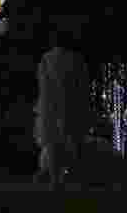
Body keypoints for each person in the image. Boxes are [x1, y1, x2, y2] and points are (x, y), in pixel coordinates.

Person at [35, 24, 90, 190]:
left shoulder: (47, 58)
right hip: (71, 106)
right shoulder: (77, 59)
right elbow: (82, 85)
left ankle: (55, 179)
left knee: (52, 144)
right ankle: (74, 176)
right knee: (73, 141)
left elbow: (43, 84)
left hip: (50, 106)